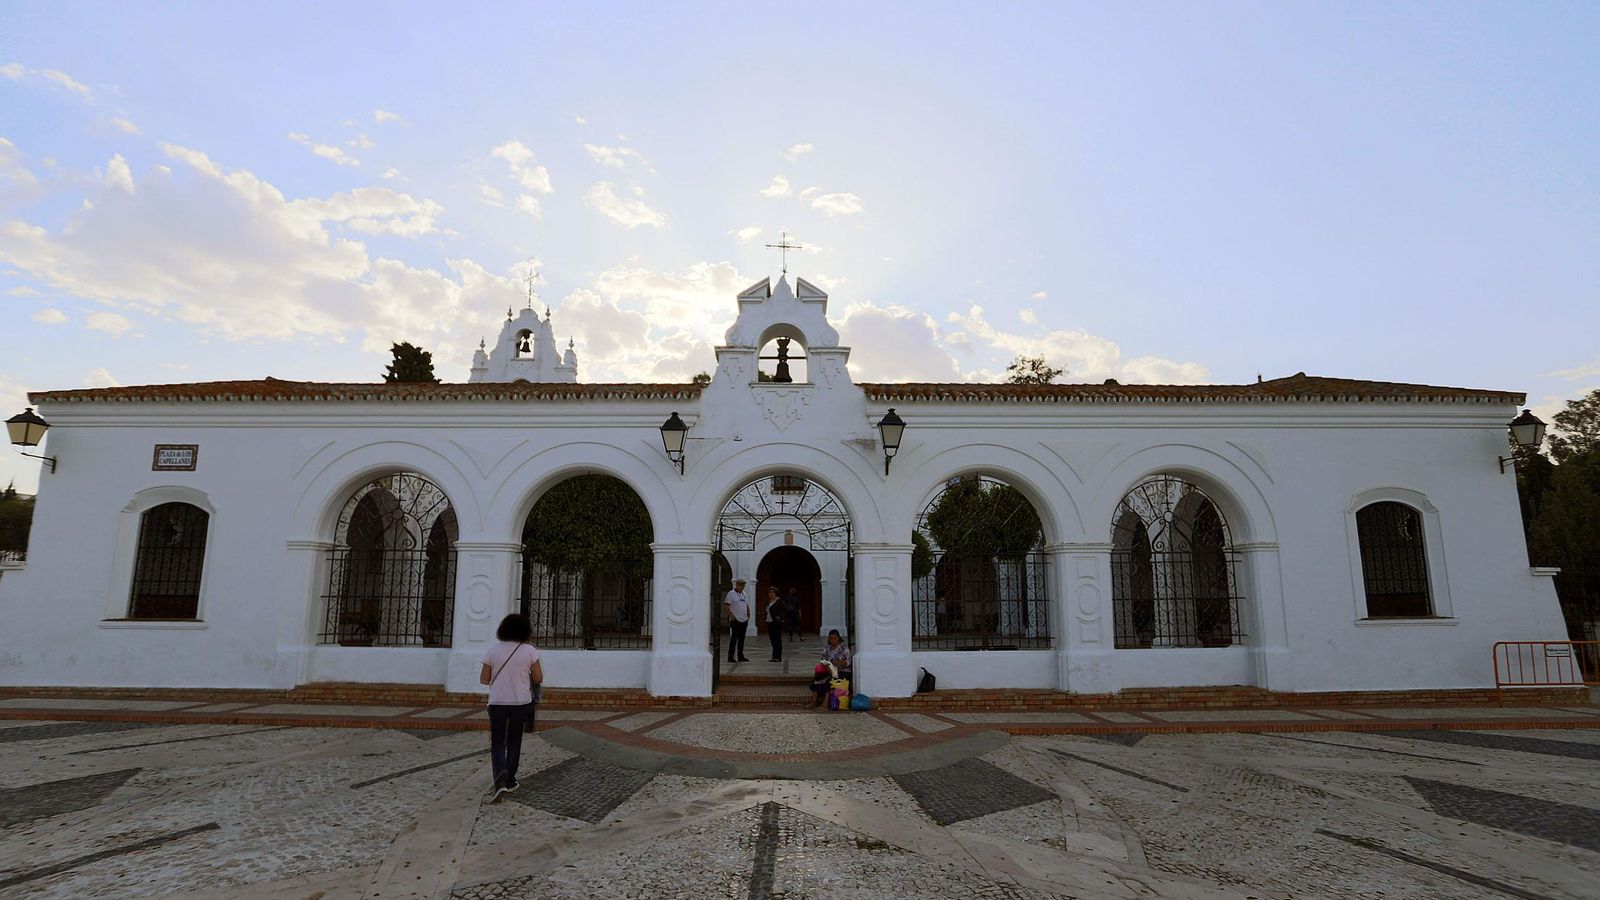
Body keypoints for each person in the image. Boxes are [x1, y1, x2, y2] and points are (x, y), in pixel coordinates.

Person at [479, 612, 543, 802]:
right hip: (520, 702)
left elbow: (484, 679)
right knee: (515, 741)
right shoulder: (529, 651)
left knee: (498, 742)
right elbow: (539, 678)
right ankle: (510, 779)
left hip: (497, 701)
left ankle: (500, 779)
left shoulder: (492, 651)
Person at [808, 629, 852, 708]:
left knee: (829, 681)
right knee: (817, 678)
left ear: (838, 638)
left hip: (843, 671)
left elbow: (848, 662)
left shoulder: (843, 648)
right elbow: (823, 659)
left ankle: (825, 704)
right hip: (829, 670)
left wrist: (840, 663)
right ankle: (814, 701)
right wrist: (827, 666)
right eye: (831, 638)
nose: (833, 640)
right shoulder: (827, 647)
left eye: (835, 638)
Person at [725, 578, 751, 663]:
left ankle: (741, 656)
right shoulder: (731, 593)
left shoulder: (744, 594)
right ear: (736, 585)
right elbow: (726, 605)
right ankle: (730, 657)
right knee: (734, 639)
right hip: (736, 620)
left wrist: (748, 612)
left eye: (743, 585)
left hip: (744, 620)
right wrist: (731, 614)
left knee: (742, 639)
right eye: (740, 585)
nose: (742, 586)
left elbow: (746, 604)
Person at [764, 586, 784, 661]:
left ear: (776, 593)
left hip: (775, 623)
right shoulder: (769, 602)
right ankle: (774, 656)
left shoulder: (779, 601)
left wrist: (780, 617)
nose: (771, 594)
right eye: (769, 592)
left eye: (772, 592)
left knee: (777, 640)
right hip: (769, 622)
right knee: (772, 640)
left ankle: (777, 657)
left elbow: (785, 610)